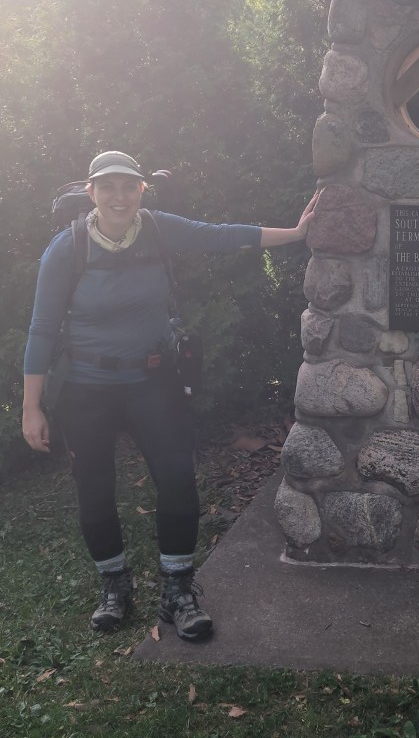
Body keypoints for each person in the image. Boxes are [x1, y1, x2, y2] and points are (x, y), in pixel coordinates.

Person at [21, 151, 318, 641]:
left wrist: (296, 233)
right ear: (91, 192)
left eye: (128, 186)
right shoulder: (67, 247)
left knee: (178, 479)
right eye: (109, 187)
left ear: (141, 190)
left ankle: (178, 590)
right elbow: (42, 328)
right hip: (86, 388)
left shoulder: (157, 228)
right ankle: (115, 588)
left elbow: (221, 235)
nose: (119, 196)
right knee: (94, 488)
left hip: (151, 380)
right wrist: (31, 406)